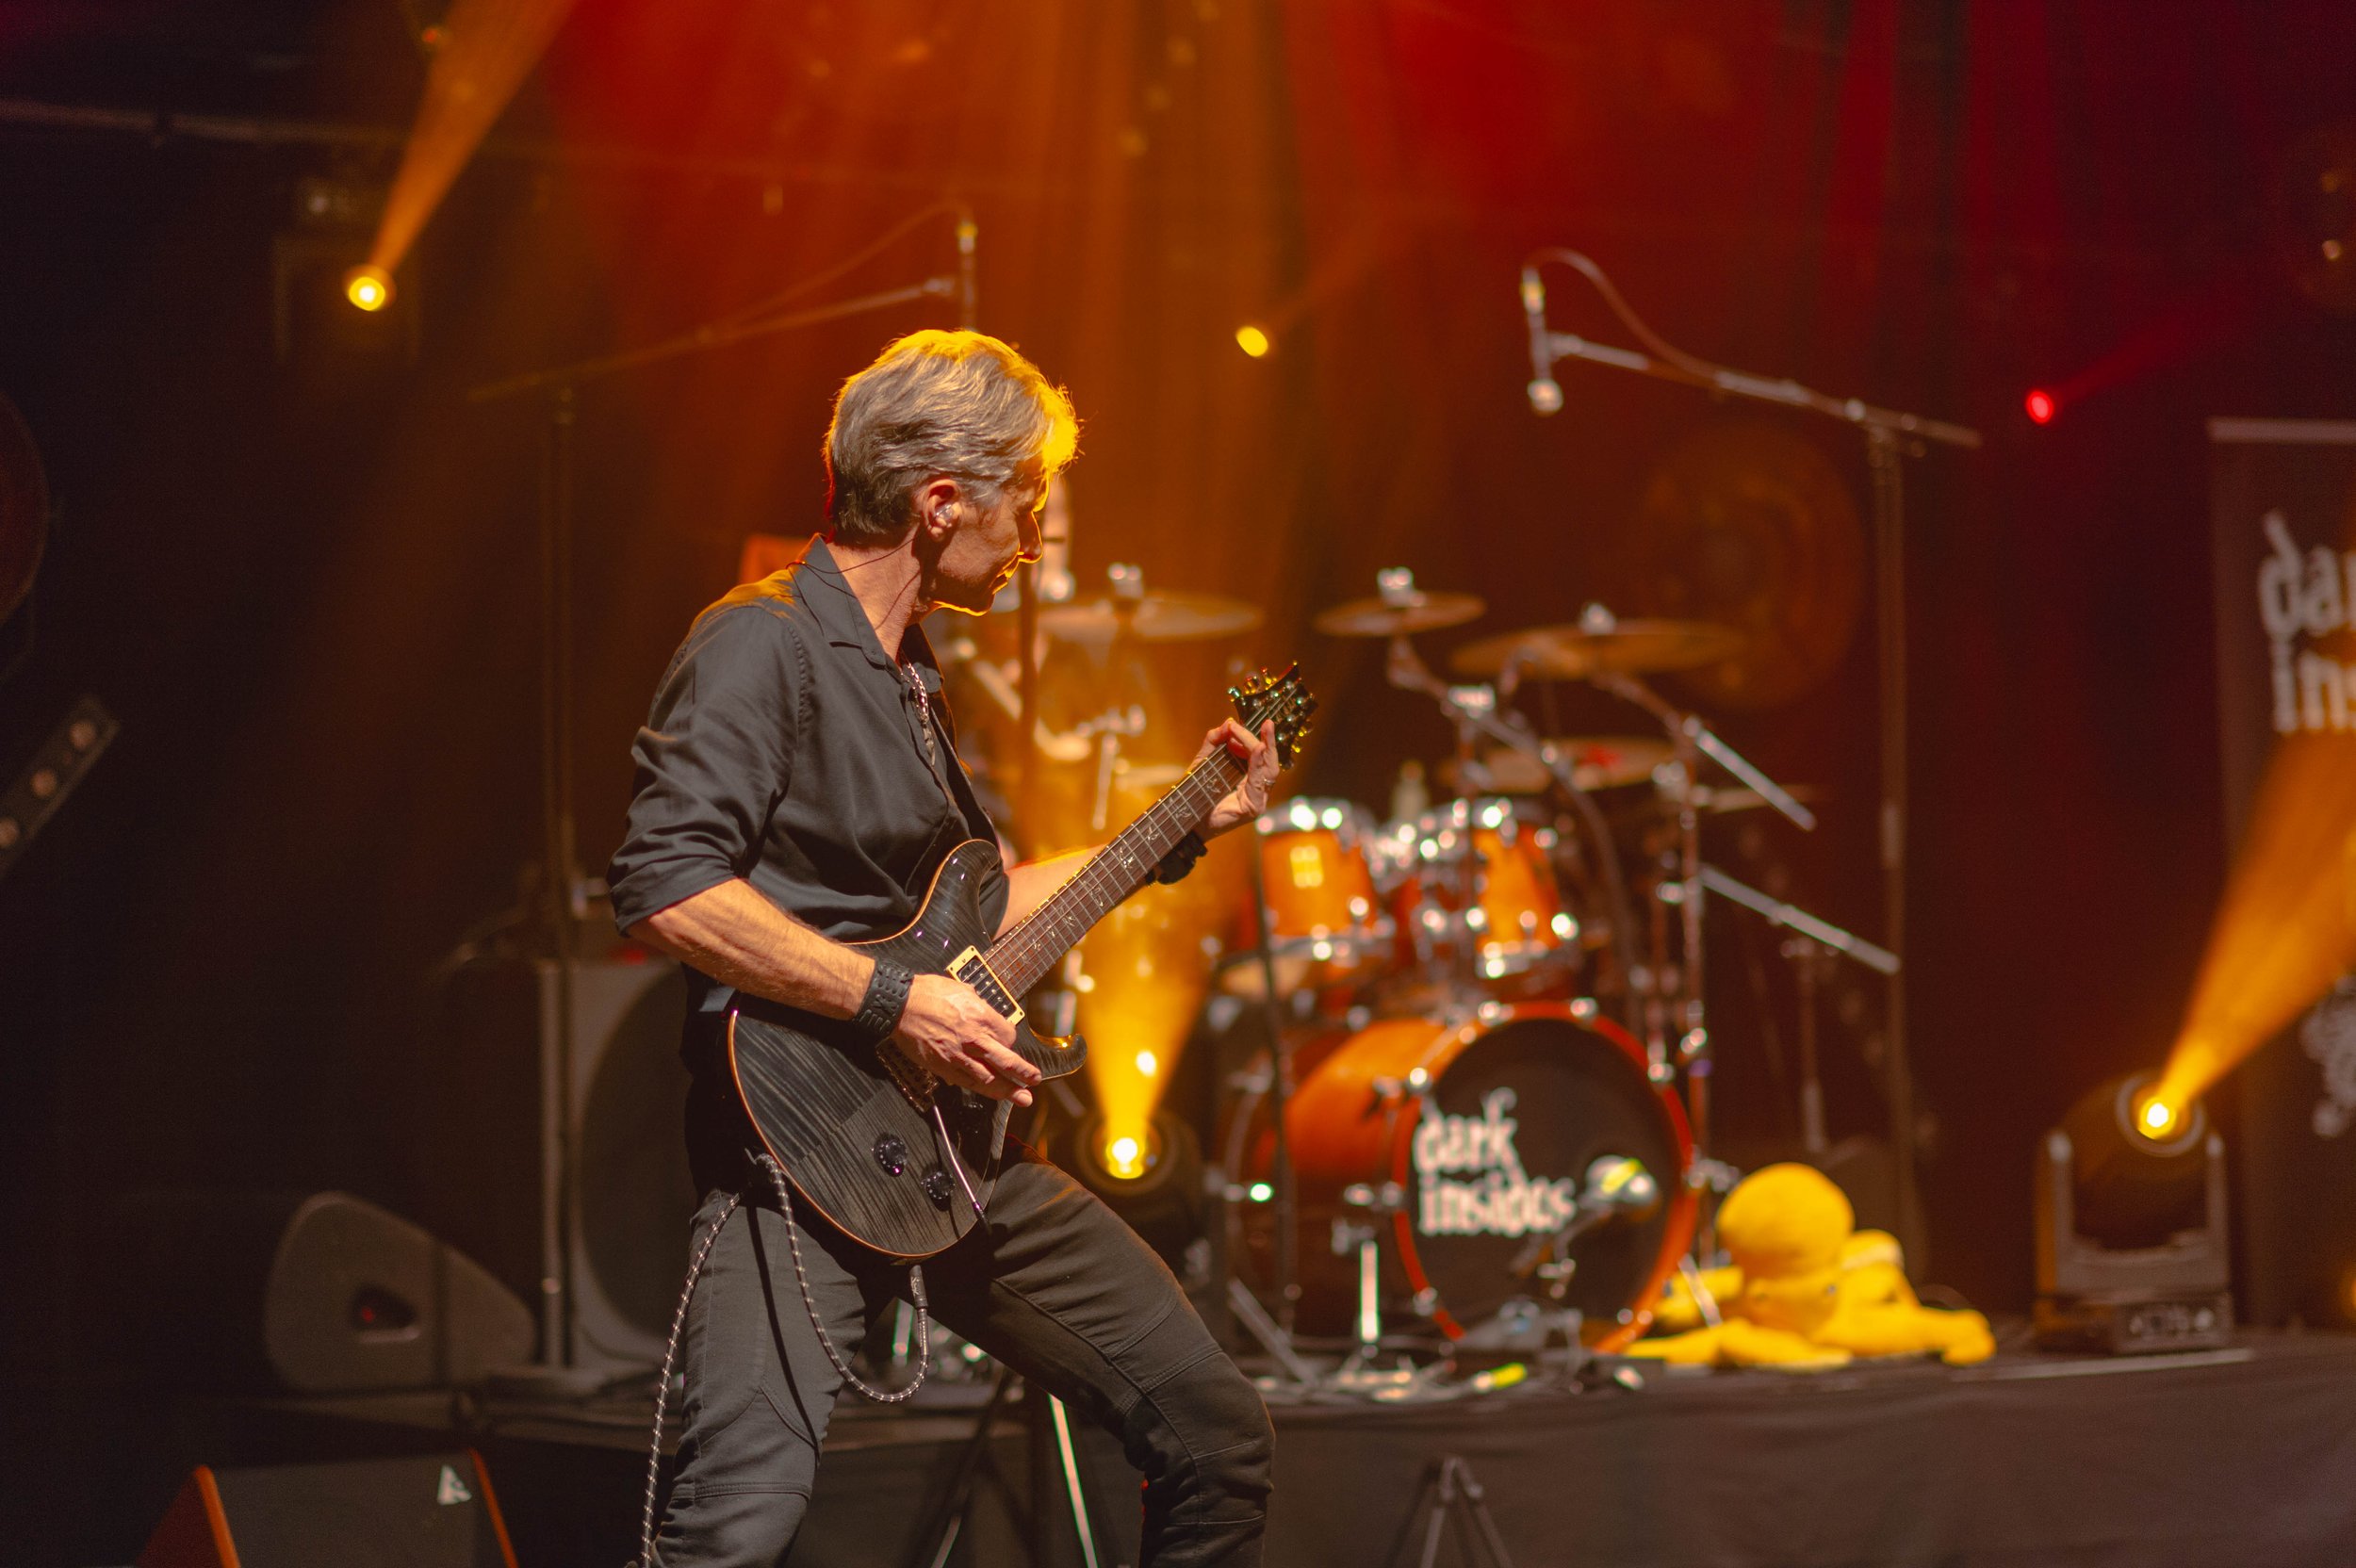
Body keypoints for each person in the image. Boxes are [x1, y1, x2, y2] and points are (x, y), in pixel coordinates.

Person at [608, 329, 1279, 1566]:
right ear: (940, 502)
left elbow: (969, 916)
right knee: (729, 1537)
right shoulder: (760, 643)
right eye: (1027, 504)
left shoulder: (907, 673)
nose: (1031, 540)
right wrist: (893, 1006)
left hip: (952, 1165)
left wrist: (1186, 821)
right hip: (798, 1161)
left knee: (1217, 1438)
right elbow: (665, 885)